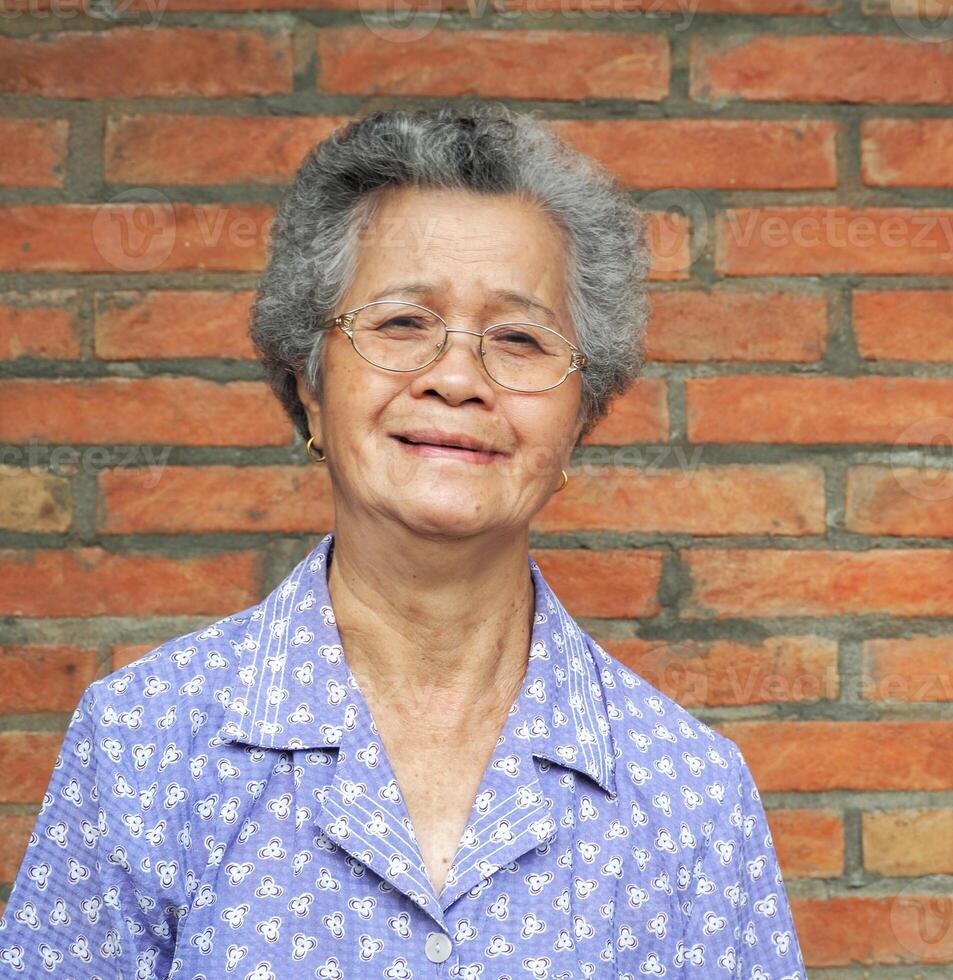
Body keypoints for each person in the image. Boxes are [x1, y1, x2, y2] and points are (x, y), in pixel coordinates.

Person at [0, 104, 806, 979]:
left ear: (582, 417)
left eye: (521, 339)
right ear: (308, 382)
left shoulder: (688, 791)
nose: (456, 378)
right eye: (400, 325)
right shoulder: (145, 741)